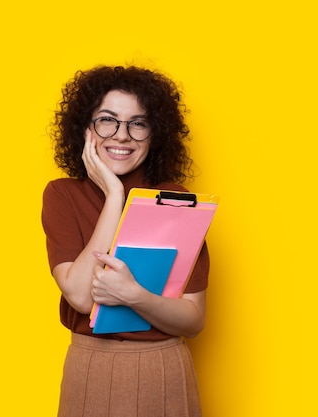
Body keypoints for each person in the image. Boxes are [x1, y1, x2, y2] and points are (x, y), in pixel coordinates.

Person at [41, 65, 209, 417]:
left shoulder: (176, 201)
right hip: (91, 371)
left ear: (154, 133)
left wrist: (136, 297)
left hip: (163, 371)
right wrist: (115, 195)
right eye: (107, 120)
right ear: (86, 129)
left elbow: (193, 320)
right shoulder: (62, 195)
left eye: (138, 123)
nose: (122, 135)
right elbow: (81, 297)